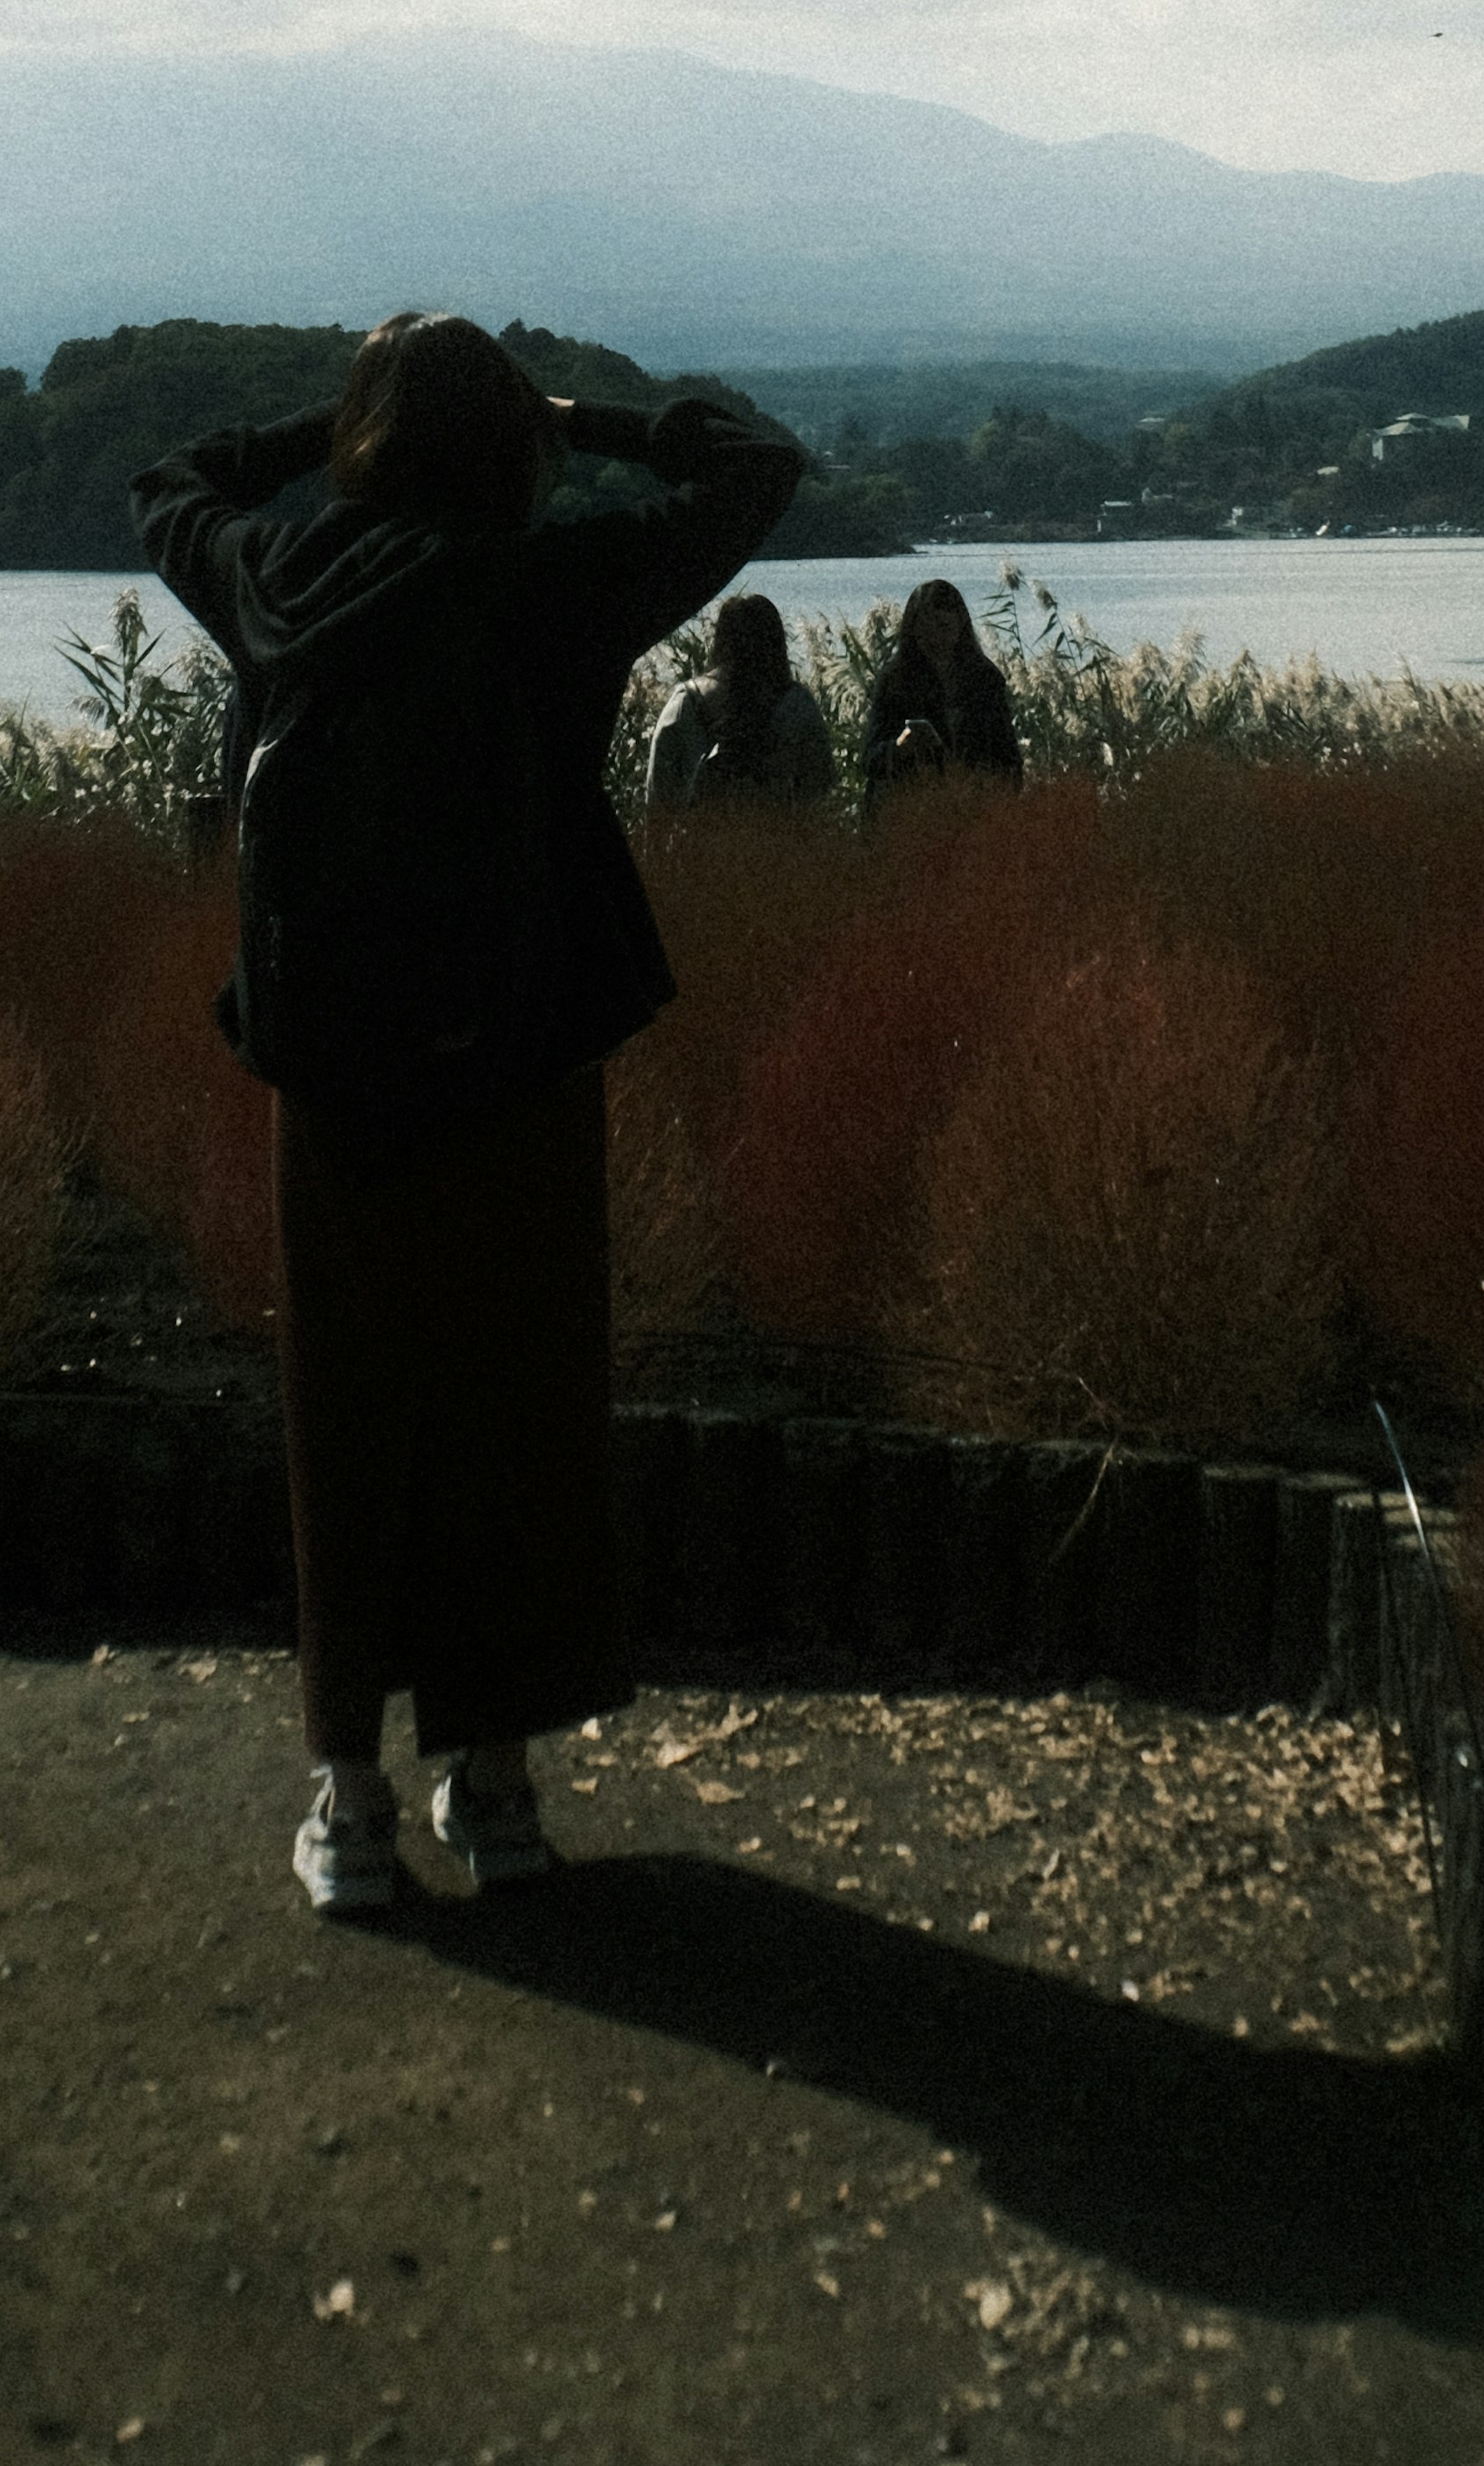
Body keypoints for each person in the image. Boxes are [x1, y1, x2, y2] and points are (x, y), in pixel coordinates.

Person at [132, 316, 801, 1921]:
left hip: (335, 1067)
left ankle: (348, 1795)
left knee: (348, 1408)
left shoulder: (278, 584)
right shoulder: (557, 582)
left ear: (365, 440)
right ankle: (492, 1779)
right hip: (517, 1052)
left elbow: (173, 479)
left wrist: (335, 427)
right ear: (513, 445)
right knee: (517, 1402)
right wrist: (581, 416)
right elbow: (756, 465)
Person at [640, 592, 840, 814]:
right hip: (776, 843)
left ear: (720, 640)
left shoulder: (685, 704)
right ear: (776, 642)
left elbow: (657, 799)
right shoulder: (797, 706)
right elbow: (821, 790)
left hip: (703, 845)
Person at [861, 574, 1024, 794]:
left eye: (943, 627)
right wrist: (899, 747)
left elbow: (1007, 760)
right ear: (912, 631)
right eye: (925, 629)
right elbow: (870, 760)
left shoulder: (984, 679)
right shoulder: (896, 679)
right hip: (909, 805)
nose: (935, 638)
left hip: (971, 805)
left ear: (960, 626)